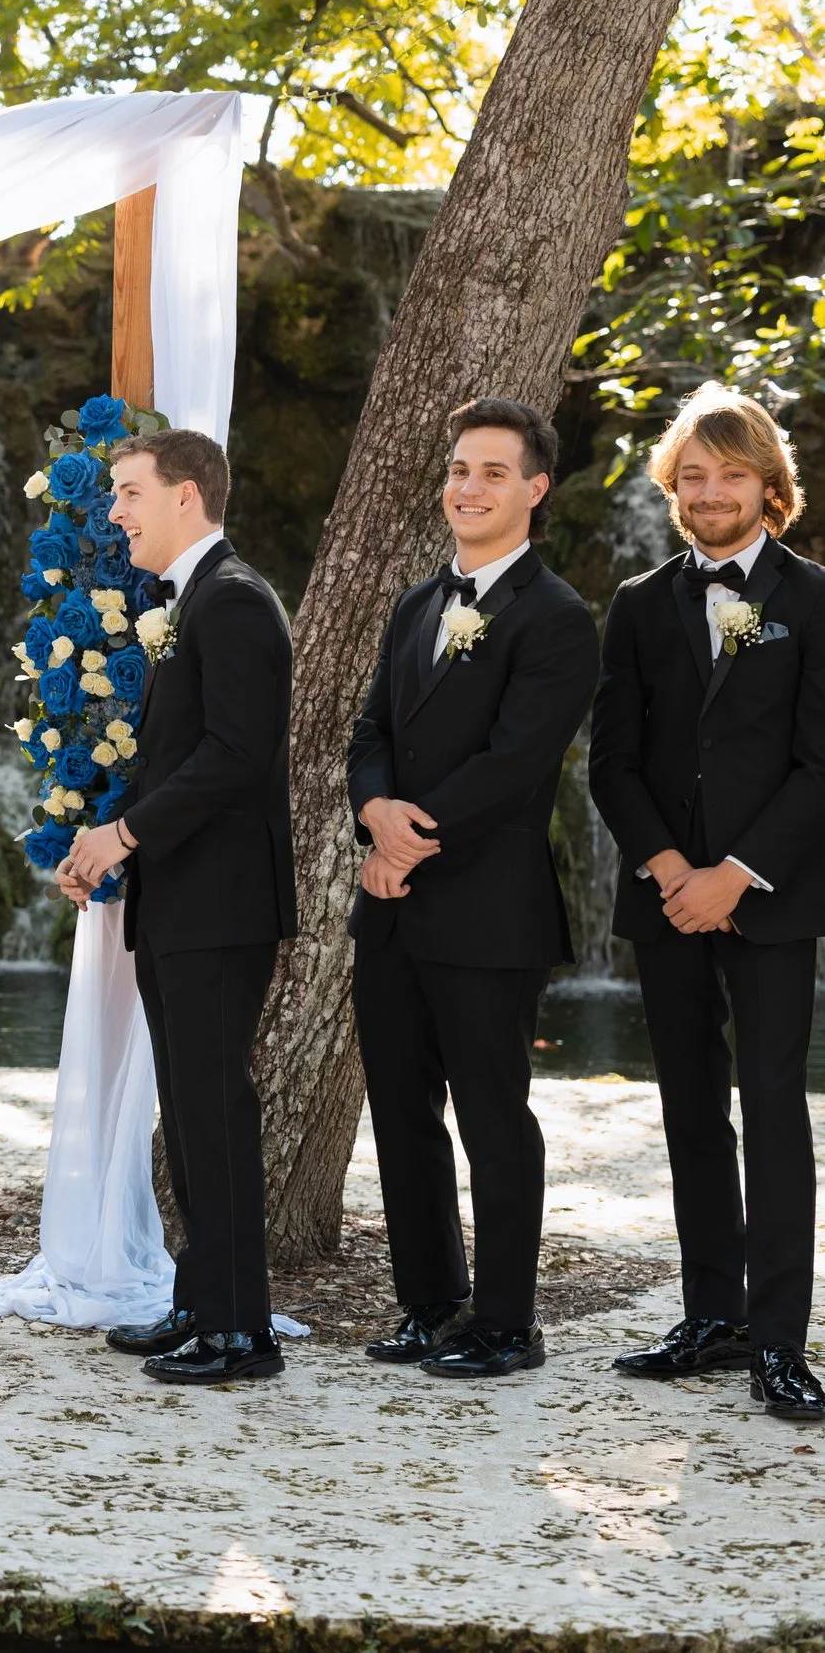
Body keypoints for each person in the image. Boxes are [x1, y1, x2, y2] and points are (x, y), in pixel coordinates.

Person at [345, 398, 598, 1379]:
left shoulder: (556, 615)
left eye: (491, 471)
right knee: (400, 1110)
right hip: (391, 904)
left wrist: (408, 839)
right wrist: (373, 812)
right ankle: (430, 1301)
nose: (467, 486)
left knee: (494, 1117)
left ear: (533, 489)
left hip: (487, 908)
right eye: (458, 468)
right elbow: (368, 732)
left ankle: (504, 1321)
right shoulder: (414, 603)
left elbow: (512, 762)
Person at [591, 384, 825, 1423]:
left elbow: (820, 762)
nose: (709, 491)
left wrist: (734, 872)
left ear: (769, 486)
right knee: (690, 1111)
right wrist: (670, 869)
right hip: (666, 898)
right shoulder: (640, 604)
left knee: (771, 1113)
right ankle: (710, 1317)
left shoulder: (814, 599)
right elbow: (613, 761)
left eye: (729, 474)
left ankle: (779, 1340)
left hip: (770, 899)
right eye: (692, 475)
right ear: (672, 489)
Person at [59, 429, 294, 1385]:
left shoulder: (233, 601)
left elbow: (235, 756)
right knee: (189, 1113)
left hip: (222, 901)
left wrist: (126, 835)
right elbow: (181, 758)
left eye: (128, 493)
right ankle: (200, 1302)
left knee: (215, 1110)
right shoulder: (190, 598)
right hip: (183, 897)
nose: (115, 512)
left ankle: (245, 1330)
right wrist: (106, 842)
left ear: (187, 495)